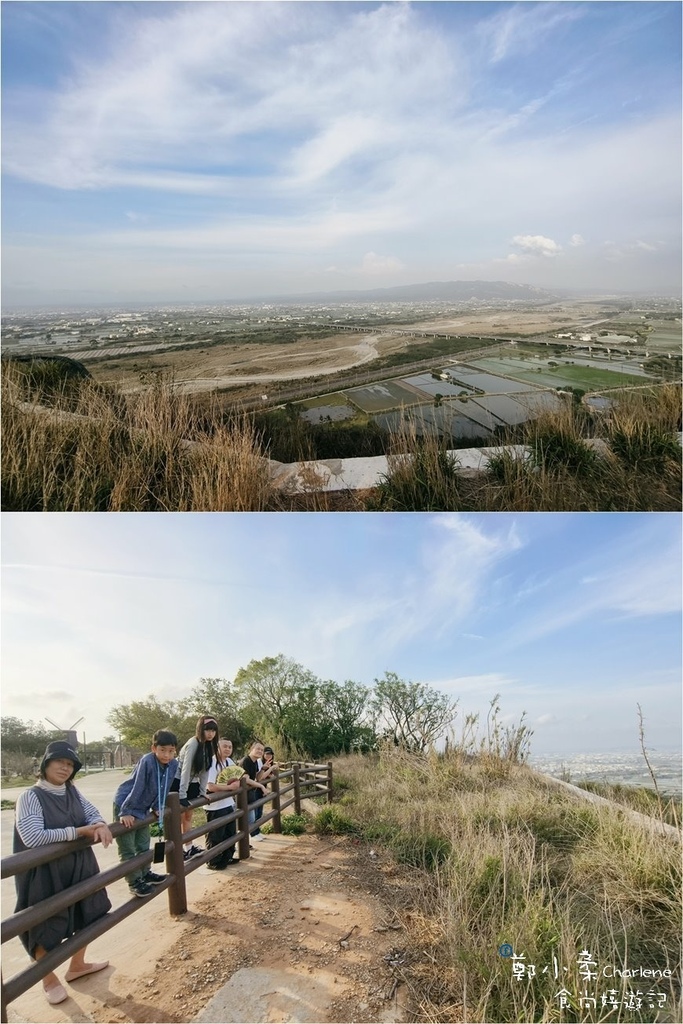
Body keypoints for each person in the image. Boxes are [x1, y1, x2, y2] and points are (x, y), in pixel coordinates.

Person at [13, 741, 113, 1007]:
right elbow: (33, 837)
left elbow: (90, 813)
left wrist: (100, 823)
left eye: (70, 764)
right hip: (44, 873)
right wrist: (78, 833)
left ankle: (77, 965)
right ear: (45, 764)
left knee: (89, 911)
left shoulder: (72, 790)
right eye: (60, 762)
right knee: (45, 924)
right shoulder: (30, 796)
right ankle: (48, 979)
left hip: (78, 864)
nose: (65, 768)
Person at [113, 729, 178, 897]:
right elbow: (138, 785)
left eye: (171, 751)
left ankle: (145, 873)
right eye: (162, 750)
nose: (166, 755)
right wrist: (126, 811)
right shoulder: (147, 761)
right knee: (128, 847)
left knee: (143, 843)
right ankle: (134, 882)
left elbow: (165, 785)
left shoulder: (174, 764)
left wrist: (158, 806)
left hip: (143, 807)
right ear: (153, 748)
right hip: (126, 803)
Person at [171, 715, 219, 860]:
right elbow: (185, 770)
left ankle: (188, 848)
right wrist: (182, 794)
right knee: (178, 819)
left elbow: (205, 770)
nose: (210, 733)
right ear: (200, 729)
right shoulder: (193, 743)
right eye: (207, 730)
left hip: (192, 784)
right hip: (178, 784)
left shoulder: (209, 746)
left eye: (213, 731)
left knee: (188, 816)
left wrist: (202, 792)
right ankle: (177, 852)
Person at [204, 738, 243, 869]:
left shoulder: (229, 761)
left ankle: (227, 857)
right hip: (215, 806)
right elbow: (210, 786)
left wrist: (234, 784)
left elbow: (237, 778)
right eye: (224, 746)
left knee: (230, 832)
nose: (227, 749)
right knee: (215, 834)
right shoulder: (212, 762)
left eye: (230, 747)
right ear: (217, 747)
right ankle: (213, 861)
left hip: (228, 803)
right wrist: (230, 787)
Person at [240, 741, 269, 841]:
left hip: (249, 793)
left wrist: (263, 769)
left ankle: (252, 835)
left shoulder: (255, 762)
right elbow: (246, 779)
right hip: (241, 795)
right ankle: (247, 840)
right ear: (251, 749)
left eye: (262, 750)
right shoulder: (246, 761)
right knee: (244, 819)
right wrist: (261, 786)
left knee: (251, 817)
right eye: (258, 749)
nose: (260, 751)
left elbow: (258, 777)